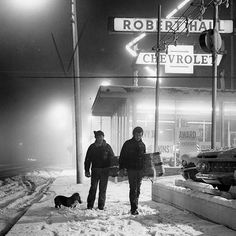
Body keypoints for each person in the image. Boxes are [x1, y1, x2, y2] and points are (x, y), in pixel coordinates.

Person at [119, 126, 146, 215]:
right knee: (133, 188)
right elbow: (122, 156)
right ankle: (133, 208)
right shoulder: (128, 144)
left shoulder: (142, 145)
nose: (138, 137)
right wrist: (122, 168)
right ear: (133, 134)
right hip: (131, 170)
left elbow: (144, 158)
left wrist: (145, 170)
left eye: (140, 135)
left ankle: (135, 206)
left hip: (140, 170)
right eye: (137, 135)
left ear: (142, 135)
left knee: (138, 189)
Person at [84, 130, 114, 210]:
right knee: (93, 188)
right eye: (98, 136)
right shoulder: (92, 147)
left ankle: (101, 206)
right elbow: (88, 159)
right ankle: (90, 205)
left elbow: (112, 158)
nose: (100, 138)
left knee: (103, 189)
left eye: (101, 136)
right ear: (96, 138)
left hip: (105, 170)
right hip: (95, 170)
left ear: (103, 137)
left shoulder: (107, 147)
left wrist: (113, 169)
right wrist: (87, 170)